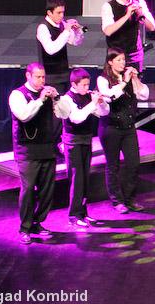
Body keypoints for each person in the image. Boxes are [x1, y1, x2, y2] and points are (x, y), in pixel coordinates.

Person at [8, 63, 67, 245]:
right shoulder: (17, 94)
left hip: (47, 148)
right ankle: (24, 228)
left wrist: (57, 98)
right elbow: (24, 115)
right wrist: (41, 99)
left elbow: (65, 114)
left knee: (47, 190)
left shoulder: (48, 95)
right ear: (28, 76)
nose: (42, 81)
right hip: (27, 151)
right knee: (28, 190)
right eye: (38, 77)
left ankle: (37, 222)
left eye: (43, 77)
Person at [97, 47, 149, 213]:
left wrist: (135, 80)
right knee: (113, 166)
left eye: (124, 60)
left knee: (133, 163)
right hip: (111, 127)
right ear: (110, 61)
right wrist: (124, 82)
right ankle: (117, 200)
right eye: (118, 60)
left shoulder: (129, 78)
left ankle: (130, 198)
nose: (122, 63)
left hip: (128, 127)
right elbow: (110, 97)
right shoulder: (103, 79)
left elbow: (144, 95)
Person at [58, 68, 109, 229]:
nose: (87, 88)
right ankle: (74, 215)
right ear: (74, 84)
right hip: (73, 143)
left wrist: (100, 103)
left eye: (88, 84)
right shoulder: (67, 98)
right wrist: (92, 103)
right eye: (84, 85)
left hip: (86, 141)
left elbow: (103, 113)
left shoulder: (88, 96)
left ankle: (83, 213)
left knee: (85, 178)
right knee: (76, 179)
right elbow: (76, 118)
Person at [101, 0, 155, 72]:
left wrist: (140, 15)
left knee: (136, 84)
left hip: (134, 55)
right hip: (116, 56)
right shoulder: (109, 6)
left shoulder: (139, 2)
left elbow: (152, 27)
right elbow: (108, 31)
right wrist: (127, 16)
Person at [36, 0, 85, 94]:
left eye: (63, 12)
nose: (62, 16)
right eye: (58, 13)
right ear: (49, 13)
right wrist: (66, 31)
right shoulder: (43, 28)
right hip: (50, 78)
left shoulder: (62, 25)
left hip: (64, 75)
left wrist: (78, 31)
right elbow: (51, 49)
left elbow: (75, 42)